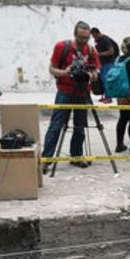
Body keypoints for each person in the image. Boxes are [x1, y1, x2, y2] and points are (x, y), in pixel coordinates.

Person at [40, 21, 101, 173]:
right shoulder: (62, 47)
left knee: (80, 127)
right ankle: (46, 159)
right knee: (56, 126)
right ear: (75, 35)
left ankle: (76, 155)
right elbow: (52, 69)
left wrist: (90, 75)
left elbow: (96, 72)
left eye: (86, 38)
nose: (83, 41)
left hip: (83, 92)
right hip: (65, 91)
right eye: (80, 38)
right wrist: (65, 72)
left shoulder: (91, 50)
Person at [91, 27, 119, 104]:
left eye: (94, 36)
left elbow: (111, 51)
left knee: (107, 80)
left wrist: (99, 54)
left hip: (109, 63)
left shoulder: (105, 39)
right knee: (102, 80)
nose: (94, 38)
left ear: (98, 33)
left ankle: (109, 98)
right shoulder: (97, 40)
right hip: (102, 63)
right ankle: (104, 96)